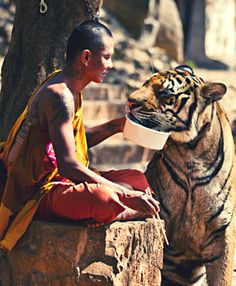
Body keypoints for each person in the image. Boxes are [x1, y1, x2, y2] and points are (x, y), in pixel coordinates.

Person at [0, 20, 159, 252]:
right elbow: (66, 165)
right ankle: (116, 208)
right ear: (86, 57)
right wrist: (123, 193)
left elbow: (69, 141)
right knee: (103, 198)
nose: (111, 65)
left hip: (62, 181)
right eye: (106, 57)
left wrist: (115, 126)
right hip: (39, 192)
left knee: (138, 179)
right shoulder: (59, 95)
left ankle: (115, 208)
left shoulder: (70, 88)